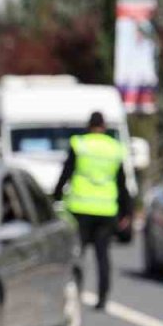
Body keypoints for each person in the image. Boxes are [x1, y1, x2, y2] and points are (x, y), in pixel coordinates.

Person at [52, 112, 133, 310]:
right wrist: (126, 212)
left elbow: (66, 173)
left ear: (89, 126)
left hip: (81, 209)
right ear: (104, 127)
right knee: (103, 255)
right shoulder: (114, 148)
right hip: (106, 210)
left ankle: (74, 296)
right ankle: (103, 297)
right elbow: (122, 184)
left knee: (77, 254)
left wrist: (55, 198)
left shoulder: (80, 144)